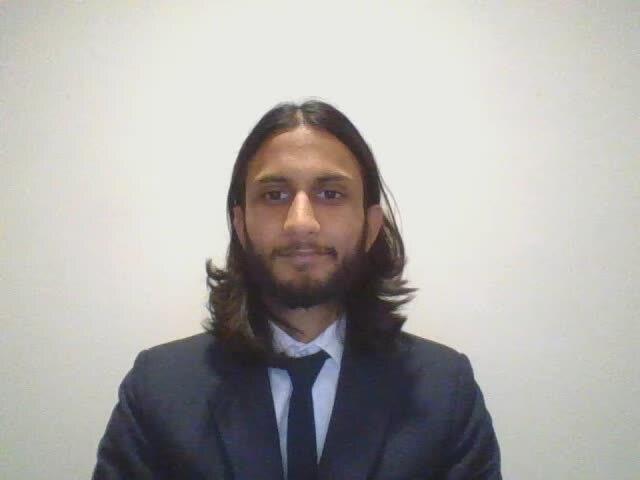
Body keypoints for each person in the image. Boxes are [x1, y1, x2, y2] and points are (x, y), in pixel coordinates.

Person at [92, 100, 501, 479]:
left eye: (330, 194)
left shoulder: (444, 392)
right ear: (241, 225)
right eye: (275, 195)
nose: (300, 222)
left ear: (371, 225)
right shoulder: (158, 389)